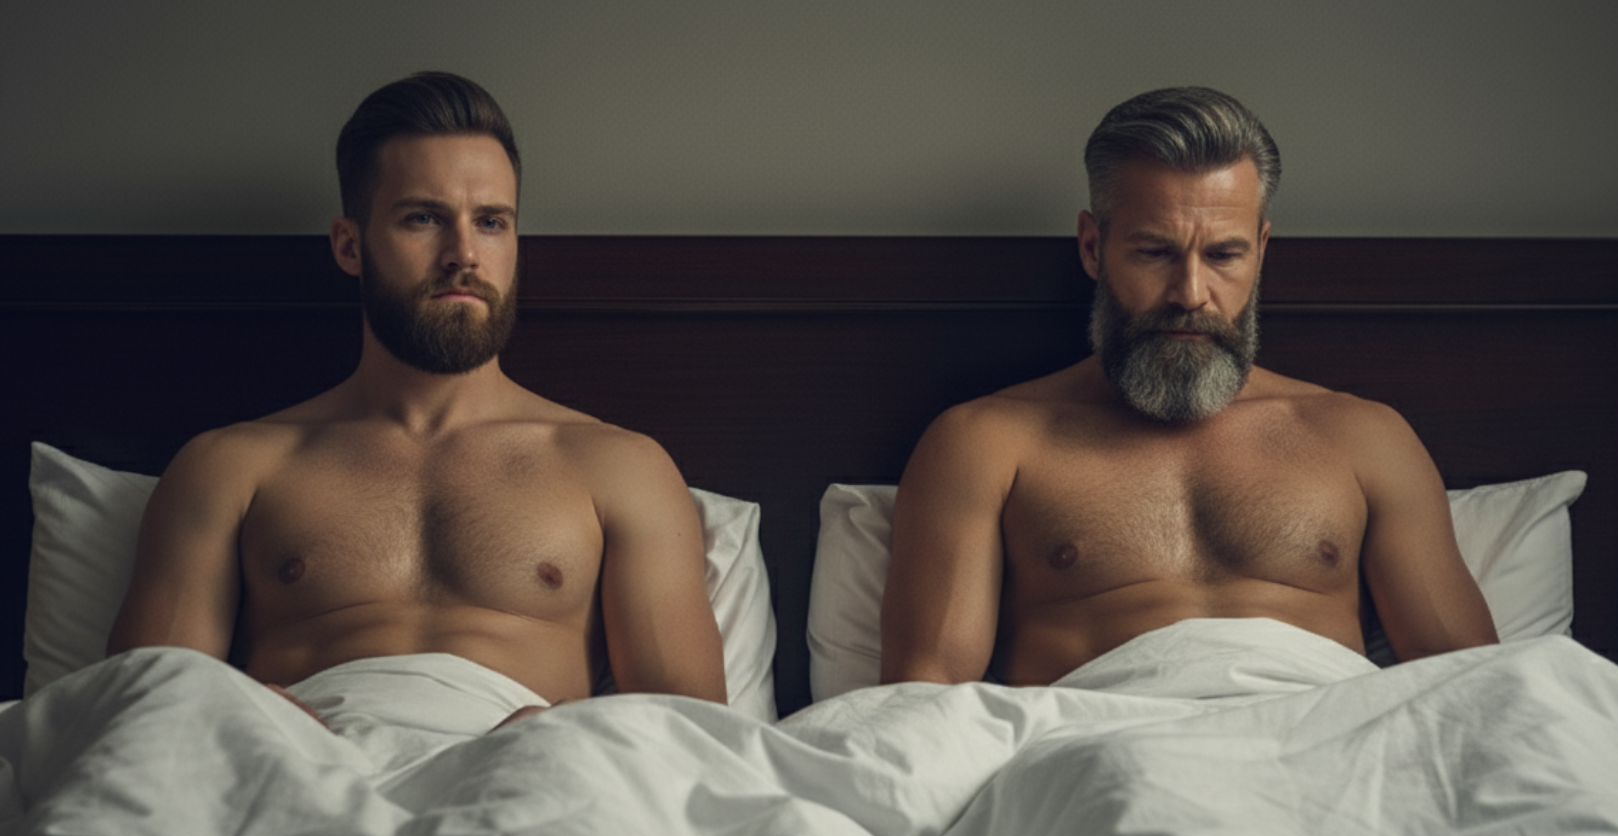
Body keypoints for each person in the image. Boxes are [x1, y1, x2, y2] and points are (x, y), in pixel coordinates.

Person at [108, 72, 728, 713]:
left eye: (490, 222)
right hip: (293, 774)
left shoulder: (620, 468)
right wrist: (255, 720)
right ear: (350, 246)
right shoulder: (232, 467)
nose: (464, 254)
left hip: (535, 783)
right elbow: (140, 715)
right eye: (423, 218)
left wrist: (560, 737)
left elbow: (689, 733)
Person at [878, 86, 1497, 687]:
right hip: (1100, 763)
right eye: (1155, 253)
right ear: (1094, 248)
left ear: (1261, 250)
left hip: (1327, 758)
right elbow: (924, 705)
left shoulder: (1365, 438)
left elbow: (1475, 685)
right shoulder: (985, 443)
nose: (1191, 293)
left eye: (1225, 255)